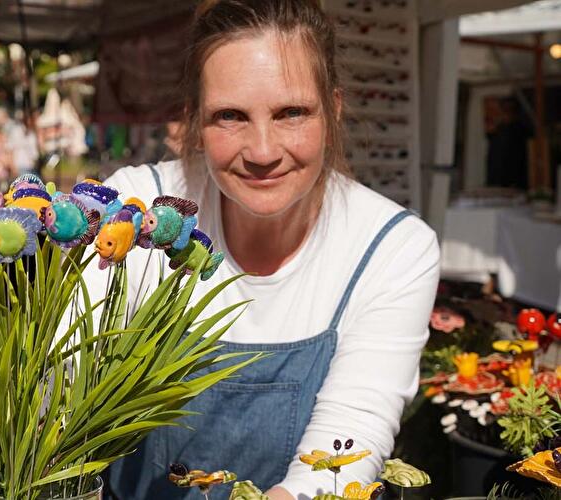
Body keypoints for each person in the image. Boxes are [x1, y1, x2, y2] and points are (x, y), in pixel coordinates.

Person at [90, 1, 439, 498]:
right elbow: (63, 384)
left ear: (333, 109)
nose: (262, 151)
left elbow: (351, 432)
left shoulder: (392, 247)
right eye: (230, 116)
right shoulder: (138, 209)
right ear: (194, 121)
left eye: (291, 113)